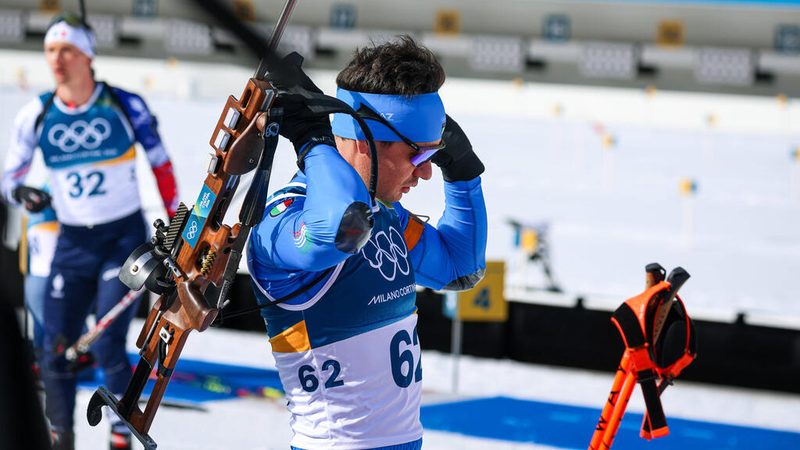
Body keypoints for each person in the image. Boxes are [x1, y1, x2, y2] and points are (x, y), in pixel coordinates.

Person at [247, 36, 487, 449]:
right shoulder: (285, 220)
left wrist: (464, 172)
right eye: (418, 157)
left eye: (435, 155)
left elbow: (460, 269)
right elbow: (336, 232)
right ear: (363, 141)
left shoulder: (383, 213)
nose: (426, 173)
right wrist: (315, 141)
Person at [0, 12, 178, 450]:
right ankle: (59, 435)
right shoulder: (37, 112)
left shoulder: (123, 104)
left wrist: (178, 232)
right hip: (72, 241)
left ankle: (122, 427)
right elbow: (9, 180)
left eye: (67, 50)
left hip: (121, 241)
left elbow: (161, 165)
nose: (57, 59)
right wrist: (24, 194)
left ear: (88, 56)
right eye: (50, 51)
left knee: (106, 344)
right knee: (53, 349)